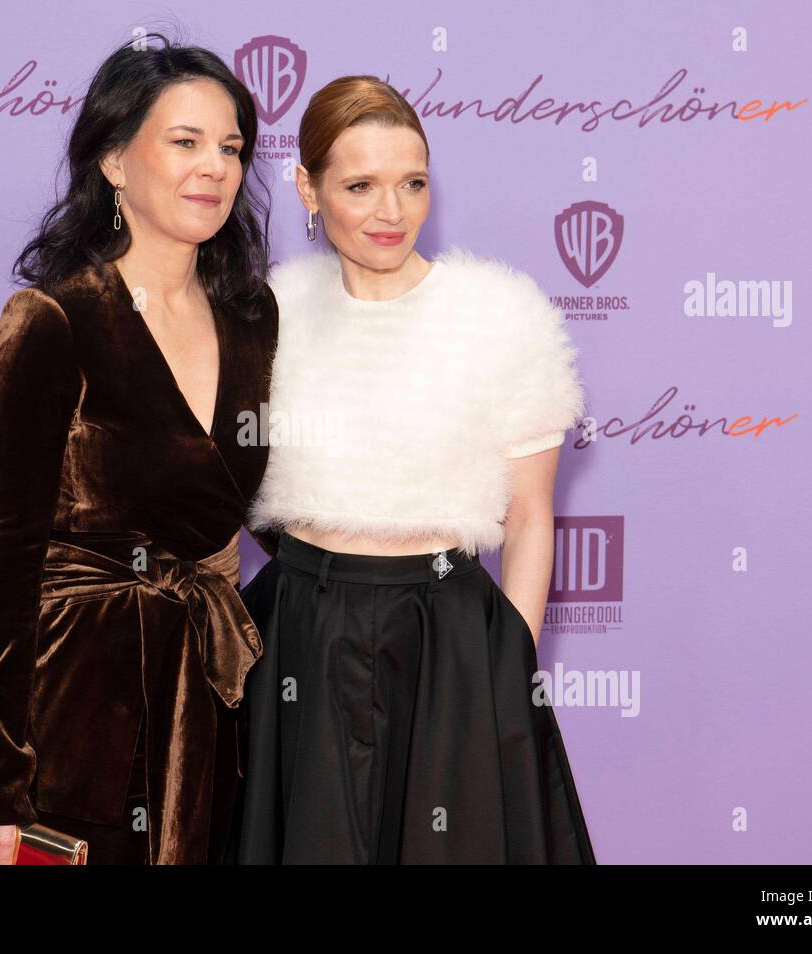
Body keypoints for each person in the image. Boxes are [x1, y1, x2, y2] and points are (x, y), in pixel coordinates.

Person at [0, 33, 279, 865]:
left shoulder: (254, 316)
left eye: (230, 147)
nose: (216, 167)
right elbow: (8, 563)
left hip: (209, 709)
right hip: (74, 710)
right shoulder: (55, 319)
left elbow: (263, 507)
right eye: (186, 142)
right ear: (115, 160)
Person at [235, 75, 597, 863]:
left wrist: (510, 659)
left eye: (412, 184)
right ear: (308, 186)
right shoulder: (267, 314)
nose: (391, 212)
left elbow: (532, 514)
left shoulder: (499, 314)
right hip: (296, 630)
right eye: (360, 186)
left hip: (450, 636)